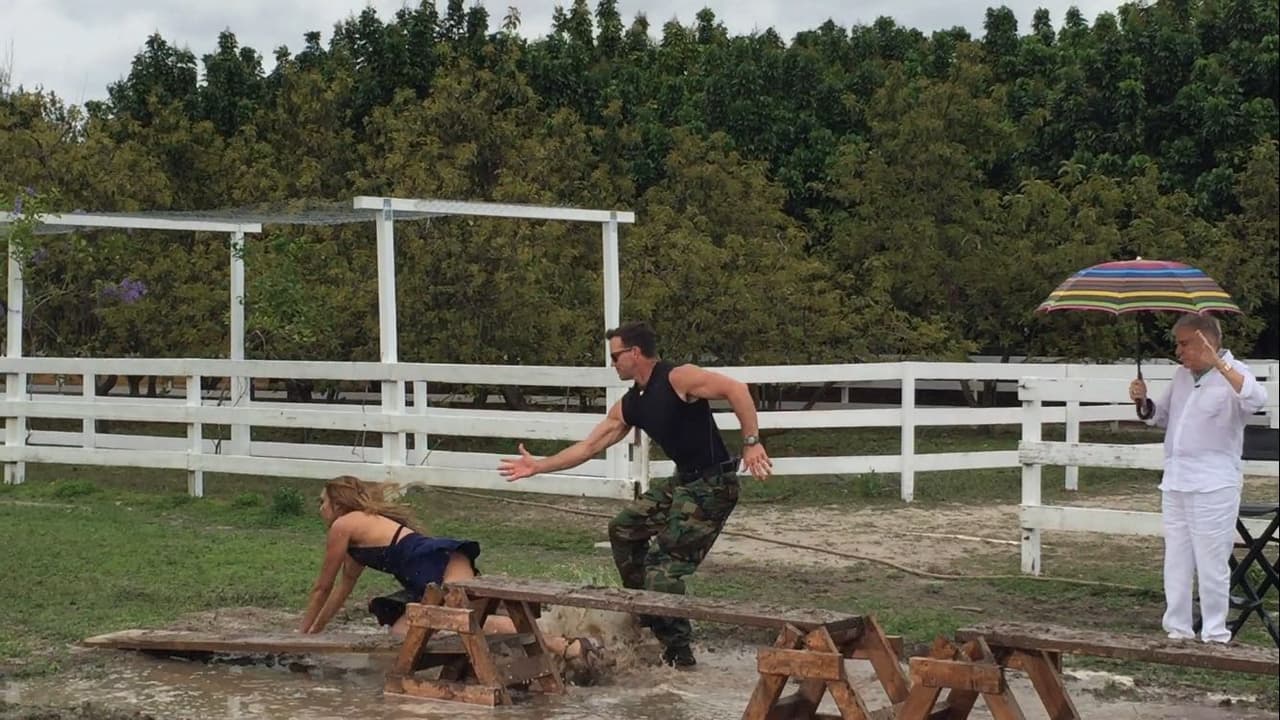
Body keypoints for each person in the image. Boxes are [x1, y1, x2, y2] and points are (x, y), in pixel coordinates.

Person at [499, 321, 773, 667]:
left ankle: (679, 653)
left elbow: (737, 389)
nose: (612, 364)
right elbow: (589, 446)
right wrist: (539, 466)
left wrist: (751, 443)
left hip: (713, 485)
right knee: (624, 528)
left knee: (662, 570)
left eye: (615, 357)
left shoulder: (678, 378)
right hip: (683, 483)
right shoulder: (632, 403)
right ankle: (649, 609)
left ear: (634, 353)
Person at [298, 475, 604, 677]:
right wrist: (313, 634)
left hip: (439, 561)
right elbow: (341, 590)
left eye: (322, 501)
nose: (319, 508)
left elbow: (321, 588)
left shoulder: (344, 525)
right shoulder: (355, 541)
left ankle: (566, 645)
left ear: (338, 504)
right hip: (431, 570)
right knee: (402, 633)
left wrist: (299, 636)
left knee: (463, 619)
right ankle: (528, 649)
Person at [1128, 313, 1269, 643]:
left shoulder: (1235, 374)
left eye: (1185, 343)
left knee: (1211, 560)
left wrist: (1219, 365)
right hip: (1177, 480)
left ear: (1208, 341)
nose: (1179, 351)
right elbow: (1160, 416)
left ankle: (1215, 632)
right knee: (1176, 557)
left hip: (1214, 484)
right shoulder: (1181, 376)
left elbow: (1256, 400)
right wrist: (1142, 401)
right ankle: (1177, 628)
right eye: (1178, 344)